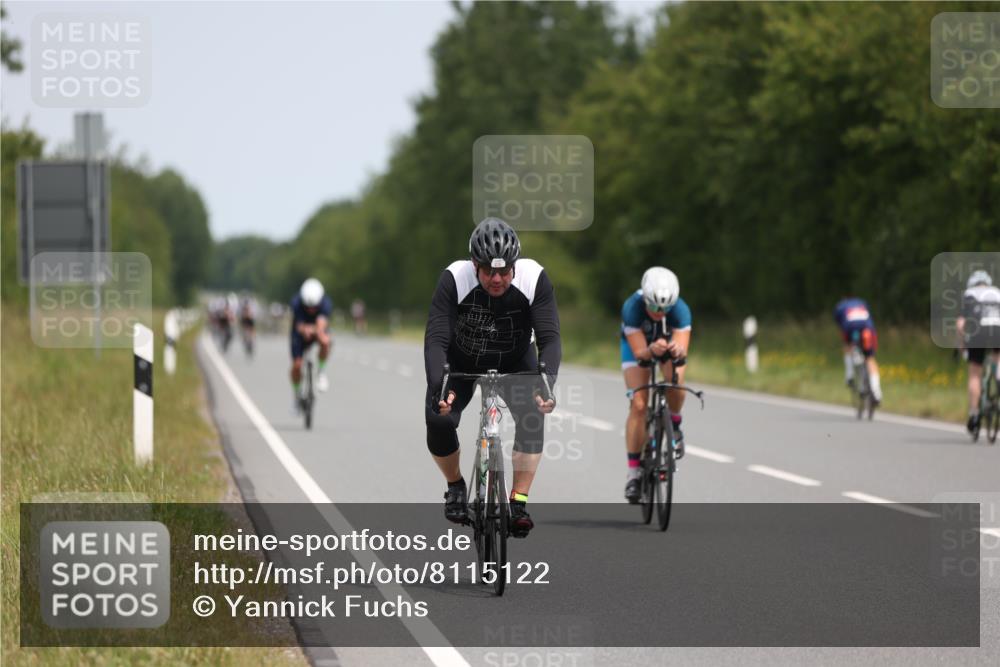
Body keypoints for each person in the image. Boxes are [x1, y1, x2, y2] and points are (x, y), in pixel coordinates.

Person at [424, 217, 560, 537]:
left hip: (516, 358)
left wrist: (546, 383)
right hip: (462, 358)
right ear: (475, 265)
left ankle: (519, 501)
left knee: (532, 417)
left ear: (515, 265)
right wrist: (438, 387)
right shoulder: (454, 279)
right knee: (439, 418)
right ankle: (456, 485)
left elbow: (550, 339)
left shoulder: (533, 278)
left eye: (504, 271)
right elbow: (436, 339)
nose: (497, 279)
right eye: (488, 271)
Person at [621, 267, 691, 504]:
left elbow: (682, 350)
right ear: (646, 300)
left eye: (665, 309)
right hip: (638, 348)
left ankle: (674, 422)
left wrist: (676, 350)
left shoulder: (681, 311)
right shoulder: (632, 308)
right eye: (654, 308)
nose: (660, 313)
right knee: (639, 404)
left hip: (666, 348)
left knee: (677, 380)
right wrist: (651, 350)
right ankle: (633, 473)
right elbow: (640, 353)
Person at [958, 270, 1000, 434]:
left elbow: (961, 324)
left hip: (979, 330)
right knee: (998, 357)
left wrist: (962, 343)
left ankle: (974, 414)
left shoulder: (969, 294)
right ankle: (998, 376)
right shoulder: (997, 292)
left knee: (975, 372)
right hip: (998, 328)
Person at [289, 278, 333, 412]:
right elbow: (299, 325)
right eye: (308, 307)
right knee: (297, 365)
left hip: (316, 330)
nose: (311, 310)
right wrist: (305, 330)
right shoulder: (296, 303)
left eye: (314, 307)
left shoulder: (326, 303)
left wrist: (316, 331)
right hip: (299, 334)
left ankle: (321, 372)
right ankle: (296, 396)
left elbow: (321, 323)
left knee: (325, 342)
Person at [833, 297, 882, 405]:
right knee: (870, 358)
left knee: (848, 347)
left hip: (850, 327)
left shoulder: (840, 307)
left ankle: (849, 375)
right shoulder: (862, 303)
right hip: (867, 328)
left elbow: (840, 324)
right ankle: (877, 392)